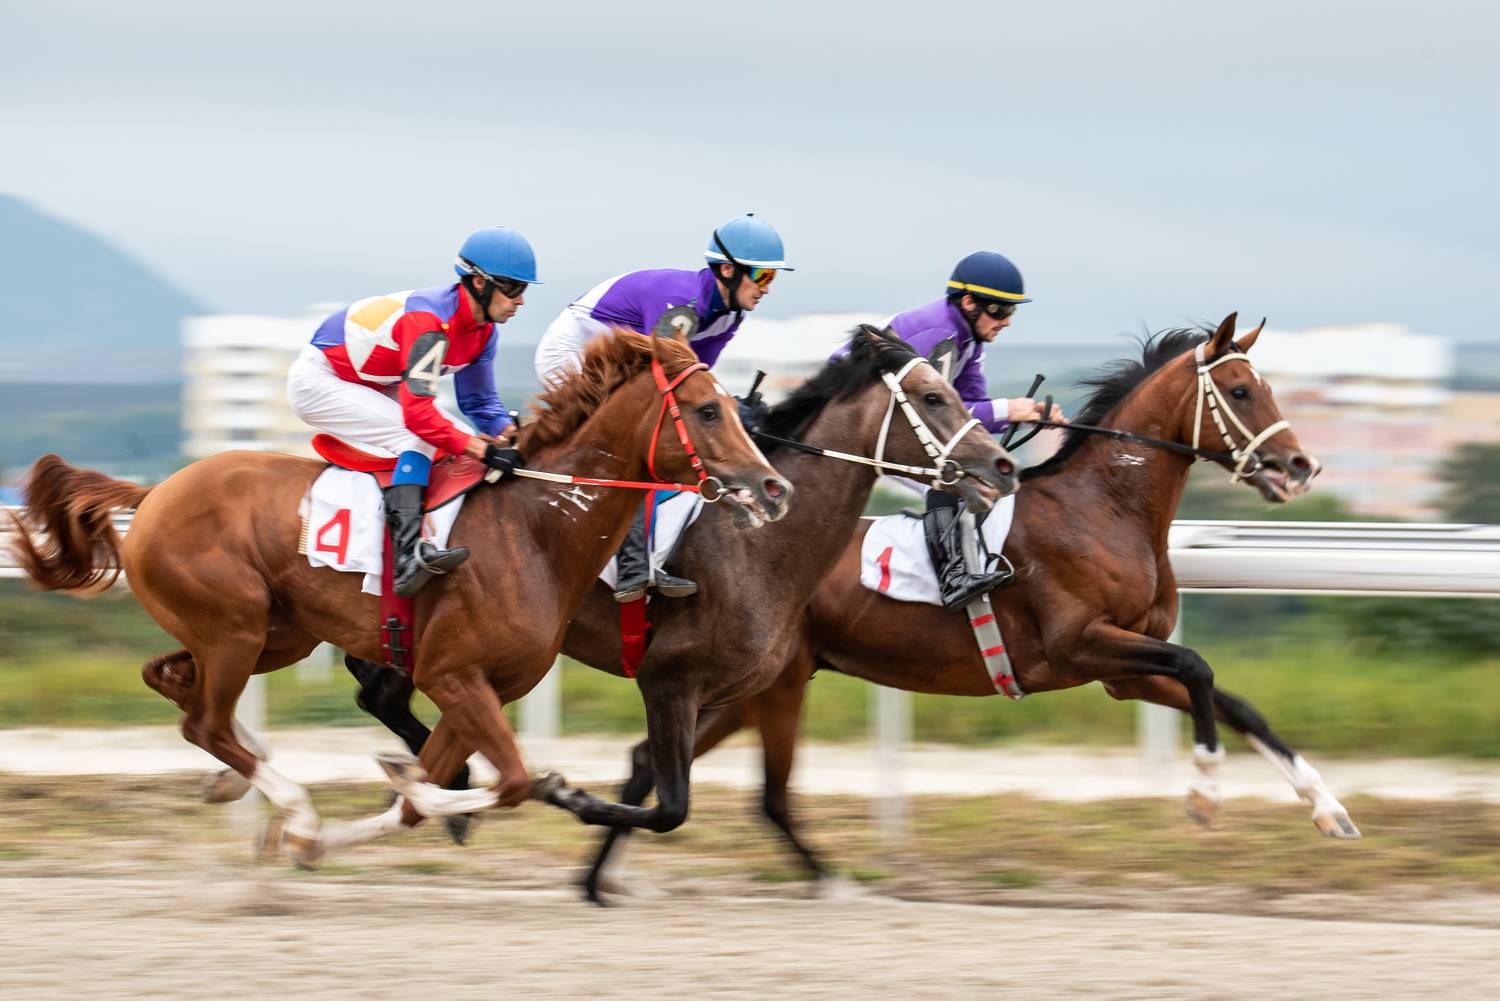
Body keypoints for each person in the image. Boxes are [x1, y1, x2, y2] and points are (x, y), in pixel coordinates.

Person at [535, 213, 791, 602]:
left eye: (772, 278)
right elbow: (660, 378)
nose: (767, 288)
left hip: (619, 363)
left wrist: (732, 411)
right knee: (633, 443)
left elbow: (695, 380)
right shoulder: (679, 302)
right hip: (572, 352)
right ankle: (629, 565)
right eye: (762, 276)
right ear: (727, 270)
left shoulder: (730, 315)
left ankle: (644, 559)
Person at [287, 227, 535, 597]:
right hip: (321, 380)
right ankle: (406, 558)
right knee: (419, 437)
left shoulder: (484, 331)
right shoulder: (429, 322)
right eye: (513, 288)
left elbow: (479, 403)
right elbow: (419, 418)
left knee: (453, 441)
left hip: (375, 382)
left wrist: (513, 435)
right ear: (480, 283)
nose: (521, 301)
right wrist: (483, 449)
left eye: (524, 289)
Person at [886, 250, 1067, 610]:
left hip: (900, 416)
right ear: (968, 302)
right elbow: (931, 414)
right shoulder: (941, 333)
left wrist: (1024, 414)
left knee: (980, 469)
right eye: (999, 310)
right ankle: (951, 578)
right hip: (870, 417)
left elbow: (968, 409)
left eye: (1012, 310)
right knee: (950, 476)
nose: (1007, 321)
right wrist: (1008, 409)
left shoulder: (970, 337)